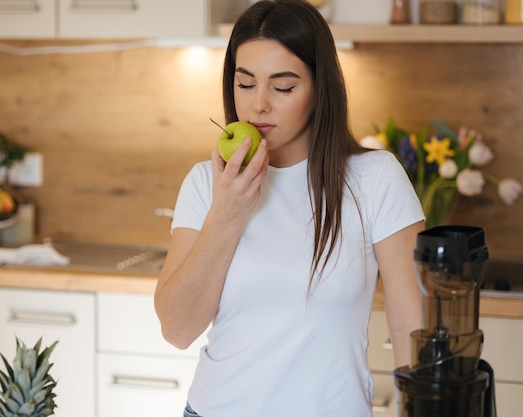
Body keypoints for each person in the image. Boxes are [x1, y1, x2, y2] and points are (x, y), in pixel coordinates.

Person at [154, 1, 425, 416]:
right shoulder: (206, 183)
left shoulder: (375, 179)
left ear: (321, 88)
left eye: (282, 87)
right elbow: (177, 329)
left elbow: (413, 330)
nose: (259, 105)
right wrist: (227, 213)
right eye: (245, 84)